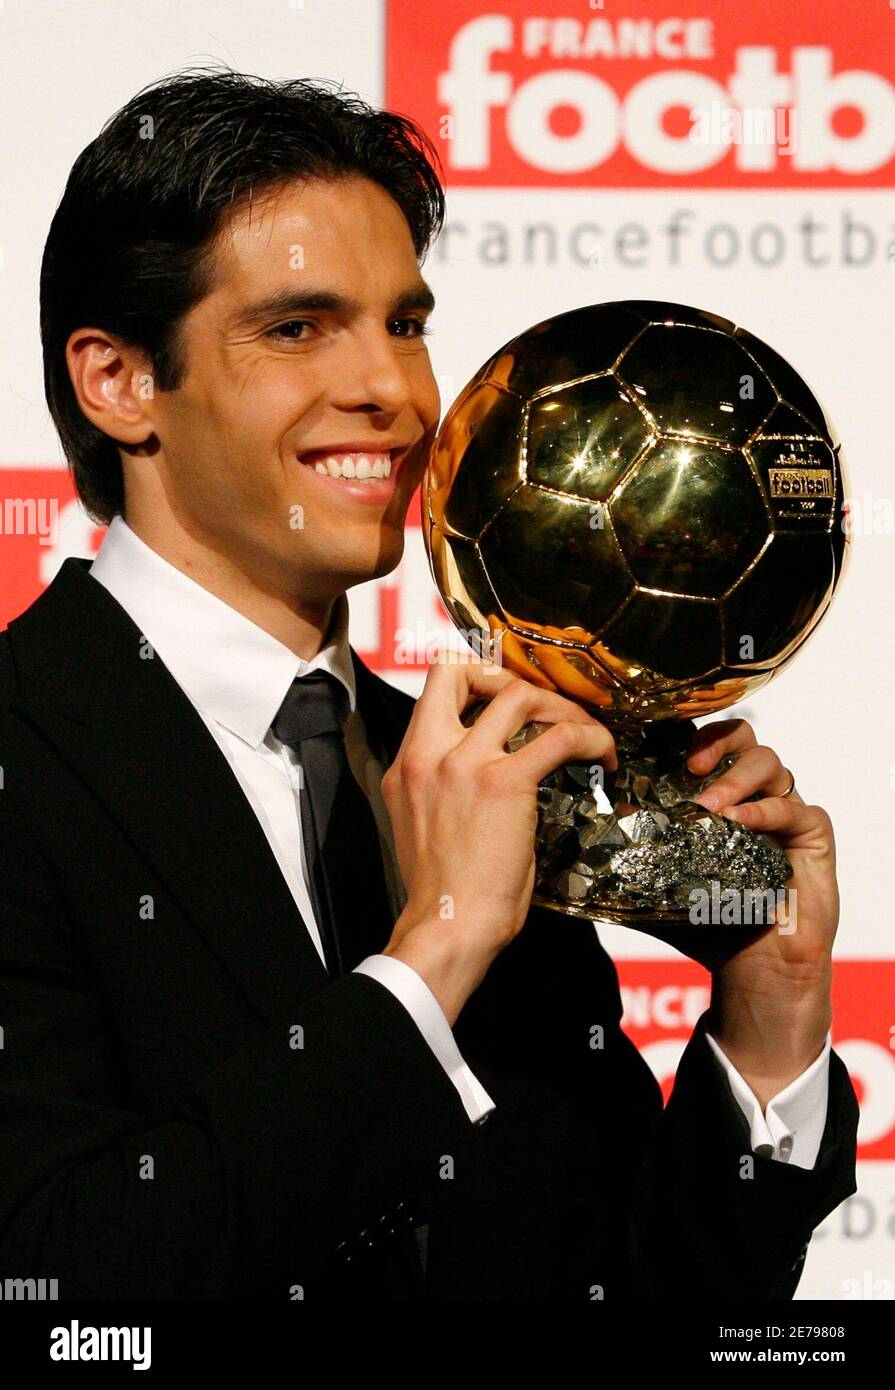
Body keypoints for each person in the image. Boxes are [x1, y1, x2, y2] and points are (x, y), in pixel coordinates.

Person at [0, 68, 858, 1300]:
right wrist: (432, 961)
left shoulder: (492, 773)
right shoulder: (25, 759)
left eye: (404, 323)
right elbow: (60, 1292)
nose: (395, 394)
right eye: (298, 327)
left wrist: (765, 1022)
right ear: (120, 382)